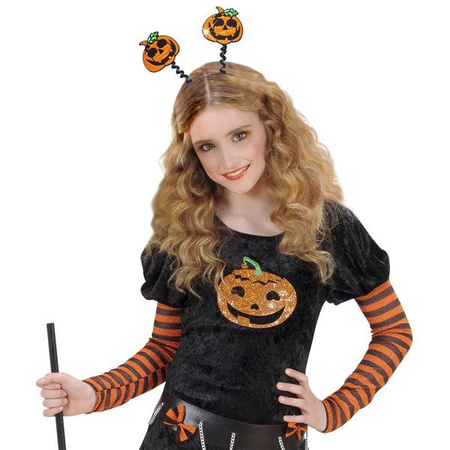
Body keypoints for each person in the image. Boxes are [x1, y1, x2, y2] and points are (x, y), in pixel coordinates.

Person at [36, 61, 413, 450]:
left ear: (272, 127)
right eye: (207, 146)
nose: (228, 162)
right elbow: (164, 349)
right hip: (177, 437)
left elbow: (393, 332)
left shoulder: (328, 228)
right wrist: (94, 393)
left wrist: (333, 411)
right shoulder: (184, 231)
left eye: (240, 135)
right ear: (191, 152)